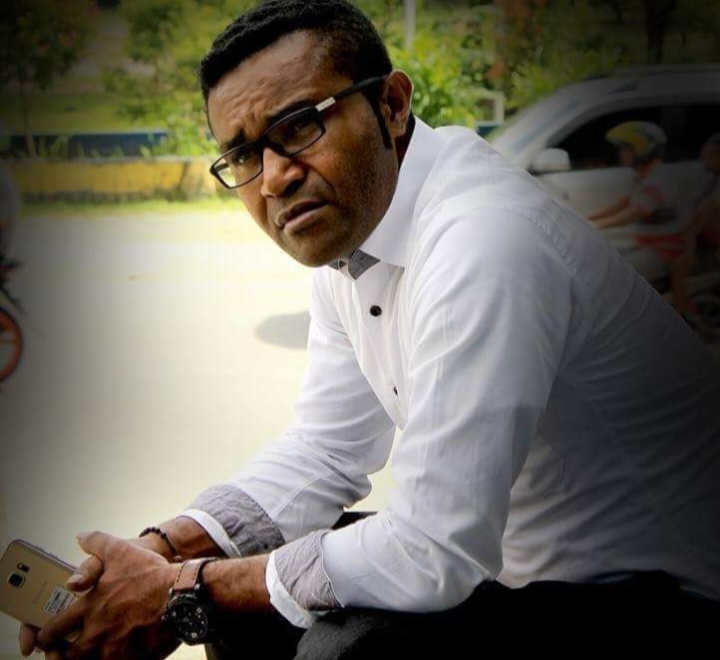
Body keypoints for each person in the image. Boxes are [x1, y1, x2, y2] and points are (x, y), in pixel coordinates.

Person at [21, 1, 720, 658]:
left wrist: (177, 593)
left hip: (662, 597)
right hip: (519, 570)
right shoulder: (355, 236)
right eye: (243, 155)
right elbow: (327, 449)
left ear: (391, 104)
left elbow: (430, 550)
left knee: (344, 644)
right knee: (247, 590)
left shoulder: (484, 240)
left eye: (299, 126)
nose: (274, 179)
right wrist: (161, 554)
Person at [587, 120, 688, 290]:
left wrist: (596, 226)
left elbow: (634, 213)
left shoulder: (658, 179)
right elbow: (622, 204)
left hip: (662, 252)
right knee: (597, 257)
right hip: (646, 246)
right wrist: (585, 218)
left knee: (605, 275)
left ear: (642, 149)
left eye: (625, 149)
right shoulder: (643, 177)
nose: (621, 154)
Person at [671, 133, 720, 323]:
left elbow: (702, 215)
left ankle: (682, 314)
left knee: (679, 265)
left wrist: (689, 245)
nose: (703, 160)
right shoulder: (711, 180)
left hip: (708, 241)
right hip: (703, 237)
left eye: (709, 156)